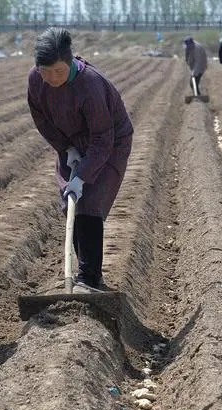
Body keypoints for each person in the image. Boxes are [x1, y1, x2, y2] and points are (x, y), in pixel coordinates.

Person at [27, 27, 133, 293]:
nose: (51, 78)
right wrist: (66, 148)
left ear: (70, 61)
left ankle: (90, 278)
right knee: (71, 202)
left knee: (90, 203)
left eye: (58, 71)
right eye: (45, 71)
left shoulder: (90, 85)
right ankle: (81, 274)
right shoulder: (36, 80)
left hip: (109, 143)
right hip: (71, 143)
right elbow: (41, 118)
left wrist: (83, 176)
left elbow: (102, 138)